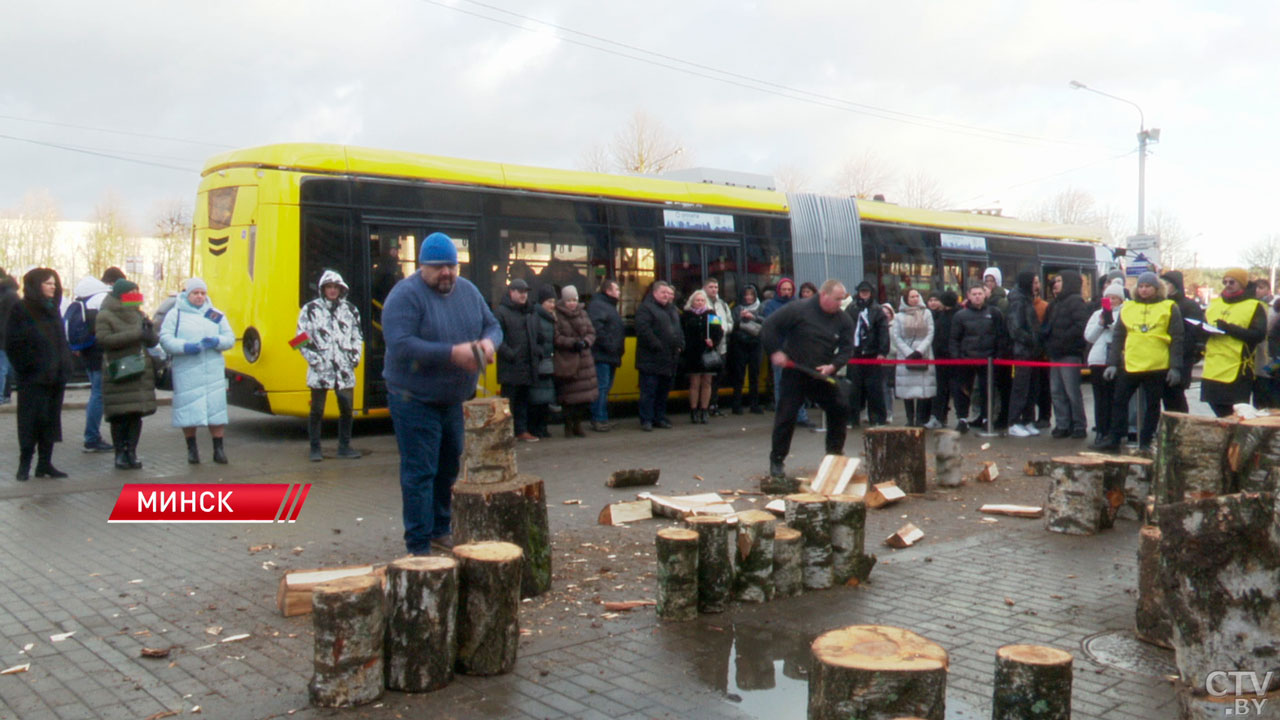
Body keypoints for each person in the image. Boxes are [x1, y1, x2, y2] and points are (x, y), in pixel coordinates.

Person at [382, 232, 501, 554]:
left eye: (451, 265)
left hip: (452, 400)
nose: (446, 273)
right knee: (421, 471)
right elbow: (400, 343)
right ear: (423, 267)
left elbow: (493, 325)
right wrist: (453, 353)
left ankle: (439, 528)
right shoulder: (405, 296)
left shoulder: (469, 292)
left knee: (449, 467)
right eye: (438, 268)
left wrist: (490, 342)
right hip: (413, 398)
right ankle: (418, 543)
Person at [763, 280, 854, 479]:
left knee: (840, 406)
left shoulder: (844, 320)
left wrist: (833, 366)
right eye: (837, 299)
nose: (840, 303)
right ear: (824, 295)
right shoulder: (798, 309)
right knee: (786, 415)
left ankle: (834, 454)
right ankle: (777, 460)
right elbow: (769, 326)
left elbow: (847, 349)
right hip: (795, 371)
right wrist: (775, 352)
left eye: (842, 299)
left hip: (820, 374)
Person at [1095, 272, 1183, 451]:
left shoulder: (1169, 307)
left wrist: (1175, 367)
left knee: (1152, 405)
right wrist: (1112, 363)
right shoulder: (1128, 307)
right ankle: (1114, 437)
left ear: (1157, 288)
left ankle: (1146, 440)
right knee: (1119, 401)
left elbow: (1177, 338)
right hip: (1131, 364)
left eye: (1148, 286)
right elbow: (1119, 336)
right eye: (1141, 286)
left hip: (1157, 365)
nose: (1144, 290)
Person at [5, 268, 74, 480]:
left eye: (54, 283)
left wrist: (64, 365)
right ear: (36, 286)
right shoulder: (21, 309)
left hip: (55, 377)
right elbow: (13, 343)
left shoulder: (53, 309)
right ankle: (24, 464)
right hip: (33, 379)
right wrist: (30, 366)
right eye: (48, 283)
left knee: (50, 421)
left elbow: (60, 341)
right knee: (30, 421)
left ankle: (45, 464)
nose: (53, 287)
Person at [160, 277, 236, 465]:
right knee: (188, 412)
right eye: (196, 293)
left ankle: (218, 450)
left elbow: (229, 338)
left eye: (203, 293)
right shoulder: (175, 314)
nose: (200, 296)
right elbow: (165, 339)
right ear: (187, 294)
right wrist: (185, 347)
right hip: (187, 371)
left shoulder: (214, 313)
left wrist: (217, 342)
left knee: (216, 411)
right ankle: (192, 449)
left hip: (212, 371)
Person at [295, 270, 364, 461]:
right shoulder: (310, 310)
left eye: (336, 287)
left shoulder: (350, 310)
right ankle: (315, 449)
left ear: (341, 289)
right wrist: (315, 360)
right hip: (320, 371)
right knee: (317, 411)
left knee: (346, 409)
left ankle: (344, 446)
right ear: (323, 289)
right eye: (329, 287)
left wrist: (354, 358)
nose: (332, 291)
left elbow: (357, 336)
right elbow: (299, 340)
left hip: (344, 370)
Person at [95, 279, 160, 470]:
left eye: (136, 291)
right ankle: (119, 454)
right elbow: (104, 340)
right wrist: (136, 334)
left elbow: (151, 341)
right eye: (131, 292)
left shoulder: (139, 313)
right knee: (119, 416)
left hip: (139, 371)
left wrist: (149, 332)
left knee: (135, 415)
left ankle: (131, 452)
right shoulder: (105, 315)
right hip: (118, 371)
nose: (135, 295)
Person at [1200, 268, 1267, 417]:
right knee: (1215, 405)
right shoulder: (1215, 303)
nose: (1228, 284)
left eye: (1232, 282)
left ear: (1242, 284)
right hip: (1213, 364)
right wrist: (1203, 330)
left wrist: (1229, 329)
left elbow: (1258, 335)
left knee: (1235, 411)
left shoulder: (1254, 306)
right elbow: (1204, 325)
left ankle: (1237, 438)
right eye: (1225, 281)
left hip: (1238, 367)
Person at [67, 272, 115, 452]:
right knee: (98, 395)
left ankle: (92, 436)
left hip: (87, 353)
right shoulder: (101, 299)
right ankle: (92, 438)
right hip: (100, 354)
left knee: (96, 394)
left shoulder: (81, 300)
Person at [950, 284, 1005, 433]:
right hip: (966, 359)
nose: (977, 296)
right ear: (968, 295)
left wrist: (998, 356)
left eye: (980, 293)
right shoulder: (960, 316)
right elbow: (954, 338)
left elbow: (1001, 336)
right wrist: (956, 358)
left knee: (987, 390)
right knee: (963, 390)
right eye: (974, 294)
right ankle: (962, 419)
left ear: (985, 295)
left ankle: (987, 419)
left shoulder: (994, 313)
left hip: (988, 359)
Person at [1043, 270, 1091, 439]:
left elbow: (1081, 326)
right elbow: (1048, 327)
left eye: (1060, 281)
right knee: (1056, 390)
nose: (1055, 284)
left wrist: (1062, 340)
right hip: (1055, 353)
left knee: (1072, 391)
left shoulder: (1076, 302)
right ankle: (1063, 423)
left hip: (1069, 352)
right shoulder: (1055, 304)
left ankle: (1078, 424)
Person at [634, 281, 683, 431]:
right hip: (651, 358)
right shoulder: (645, 308)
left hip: (669, 359)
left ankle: (659, 417)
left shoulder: (672, 309)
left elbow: (678, 330)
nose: (666, 296)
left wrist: (681, 344)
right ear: (654, 293)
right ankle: (646, 420)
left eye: (668, 293)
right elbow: (643, 330)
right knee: (649, 392)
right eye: (663, 293)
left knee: (663, 392)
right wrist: (657, 345)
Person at [494, 278, 539, 442]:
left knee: (522, 402)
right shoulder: (501, 312)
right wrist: (510, 354)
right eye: (520, 292)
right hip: (510, 366)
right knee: (509, 402)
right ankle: (506, 433)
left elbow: (537, 335)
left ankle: (521, 430)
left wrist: (536, 351)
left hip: (527, 365)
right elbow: (497, 338)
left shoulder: (529, 311)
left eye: (526, 292)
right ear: (511, 292)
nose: (523, 295)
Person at [553, 286, 598, 437]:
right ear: (563, 301)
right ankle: (568, 425)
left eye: (574, 300)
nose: (572, 303)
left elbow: (592, 332)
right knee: (569, 398)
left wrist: (586, 342)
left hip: (584, 360)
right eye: (569, 300)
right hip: (567, 361)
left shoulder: (583, 313)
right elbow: (556, 337)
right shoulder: (557, 315)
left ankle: (578, 424)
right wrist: (572, 343)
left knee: (583, 398)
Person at [1084, 280, 1126, 445]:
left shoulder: (1125, 313)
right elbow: (1089, 337)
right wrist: (1102, 323)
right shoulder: (1096, 314)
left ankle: (1115, 431)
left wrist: (1112, 324)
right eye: (1108, 298)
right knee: (1100, 399)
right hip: (1098, 359)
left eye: (1115, 298)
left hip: (1116, 360)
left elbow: (1123, 334)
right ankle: (1101, 430)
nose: (1111, 301)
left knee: (1116, 398)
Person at [1160, 271, 1206, 412]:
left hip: (1182, 357)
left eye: (1168, 283)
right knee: (1167, 396)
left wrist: (1191, 353)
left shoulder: (1188, 305)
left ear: (1176, 285)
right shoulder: (1162, 304)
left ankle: (1181, 425)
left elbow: (1196, 332)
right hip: (1163, 356)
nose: (1164, 286)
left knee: (1176, 396)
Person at [763, 277, 806, 424]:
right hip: (780, 351)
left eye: (789, 289)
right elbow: (770, 327)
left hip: (797, 351)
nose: (786, 292)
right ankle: (783, 417)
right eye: (784, 289)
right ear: (778, 290)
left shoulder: (798, 304)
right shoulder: (771, 306)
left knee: (799, 385)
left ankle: (801, 417)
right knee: (780, 385)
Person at [1004, 271, 1042, 437]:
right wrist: (1032, 339)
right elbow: (1015, 328)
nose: (1037, 286)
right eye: (1034, 282)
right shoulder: (1018, 301)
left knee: (1032, 387)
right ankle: (1014, 421)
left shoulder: (1026, 299)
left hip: (1030, 351)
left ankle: (1028, 419)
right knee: (1021, 387)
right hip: (1022, 351)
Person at [846, 281, 889, 427]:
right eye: (862, 291)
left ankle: (877, 418)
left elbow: (883, 332)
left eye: (867, 292)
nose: (864, 294)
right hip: (855, 354)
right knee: (854, 389)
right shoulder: (851, 308)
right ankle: (853, 419)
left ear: (871, 293)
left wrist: (882, 351)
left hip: (872, 354)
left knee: (874, 389)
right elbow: (846, 329)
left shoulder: (877, 310)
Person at [891, 289, 936, 427]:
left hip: (924, 353)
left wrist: (919, 350)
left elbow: (930, 333)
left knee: (923, 390)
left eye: (917, 296)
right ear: (906, 299)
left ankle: (920, 419)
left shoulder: (926, 313)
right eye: (912, 297)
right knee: (907, 390)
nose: (915, 299)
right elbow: (896, 336)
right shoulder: (898, 316)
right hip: (906, 354)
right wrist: (908, 352)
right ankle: (910, 419)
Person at [681, 289, 725, 424]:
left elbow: (719, 331)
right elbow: (682, 332)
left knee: (707, 382)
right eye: (697, 300)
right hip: (692, 353)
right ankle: (693, 410)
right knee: (694, 383)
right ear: (692, 302)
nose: (699, 303)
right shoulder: (686, 315)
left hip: (707, 352)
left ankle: (704, 410)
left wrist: (714, 341)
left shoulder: (711, 314)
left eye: (702, 300)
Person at [587, 279, 625, 432]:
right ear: (608, 291)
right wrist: (611, 346)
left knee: (605, 387)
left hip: (609, 355)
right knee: (601, 387)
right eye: (617, 289)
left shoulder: (607, 305)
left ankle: (602, 417)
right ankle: (599, 418)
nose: (619, 292)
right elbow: (598, 329)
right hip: (602, 354)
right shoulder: (599, 305)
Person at [727, 284, 764, 414]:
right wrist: (741, 318)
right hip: (740, 344)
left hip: (756, 344)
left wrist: (753, 317)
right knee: (739, 375)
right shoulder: (737, 309)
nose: (748, 297)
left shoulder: (761, 307)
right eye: (746, 295)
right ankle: (737, 405)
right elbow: (732, 325)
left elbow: (767, 322)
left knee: (755, 375)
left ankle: (754, 404)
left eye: (751, 295)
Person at [925, 290, 957, 429]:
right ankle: (939, 416)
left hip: (952, 357)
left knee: (952, 389)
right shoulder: (938, 316)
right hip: (940, 357)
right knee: (941, 389)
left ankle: (956, 417)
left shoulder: (957, 315)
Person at [529, 285, 557, 438]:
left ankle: (542, 427)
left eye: (553, 302)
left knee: (545, 398)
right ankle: (536, 427)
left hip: (547, 363)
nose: (552, 305)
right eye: (549, 302)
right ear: (541, 302)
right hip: (540, 363)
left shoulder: (551, 317)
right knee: (537, 399)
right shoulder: (537, 317)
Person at [703, 279, 733, 417]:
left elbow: (729, 322)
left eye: (716, 287)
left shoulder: (722, 304)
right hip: (708, 347)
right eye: (711, 287)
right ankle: (705, 406)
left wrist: (725, 329)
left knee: (718, 378)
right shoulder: (702, 302)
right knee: (707, 379)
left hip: (722, 348)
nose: (714, 289)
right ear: (704, 288)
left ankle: (714, 404)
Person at [1031, 276, 1052, 429]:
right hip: (1027, 353)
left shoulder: (1045, 306)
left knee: (1043, 386)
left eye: (1037, 282)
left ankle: (1045, 416)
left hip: (1042, 354)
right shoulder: (1021, 304)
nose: (1035, 286)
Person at [0, 269, 18, 405]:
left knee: (3, 368)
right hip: (8, 336)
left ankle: (2, 395)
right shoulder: (12, 294)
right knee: (7, 367)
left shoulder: (7, 295)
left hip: (4, 337)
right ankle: (5, 394)